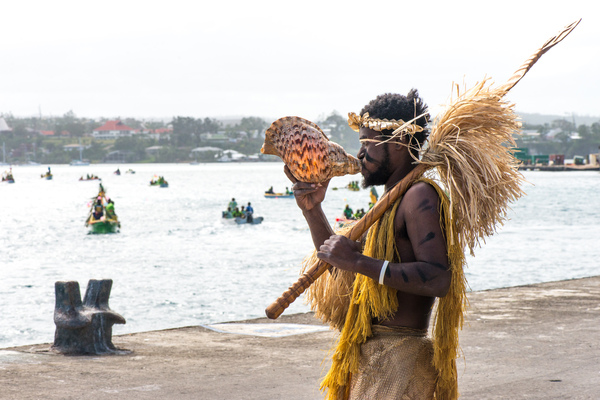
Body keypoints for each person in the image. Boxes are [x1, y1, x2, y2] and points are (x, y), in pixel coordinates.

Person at [286, 91, 465, 399]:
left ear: (398, 144)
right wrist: (312, 209)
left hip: (401, 358)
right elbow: (342, 268)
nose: (360, 155)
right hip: (374, 354)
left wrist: (359, 262)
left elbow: (438, 278)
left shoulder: (419, 195)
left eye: (368, 144)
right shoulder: (390, 199)